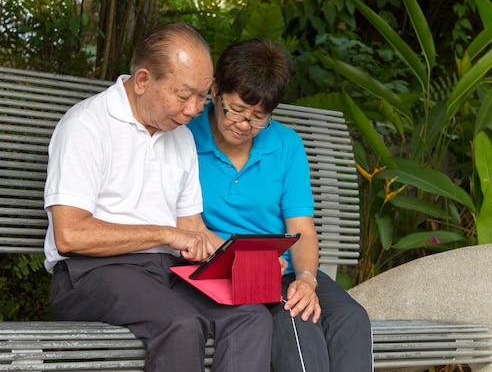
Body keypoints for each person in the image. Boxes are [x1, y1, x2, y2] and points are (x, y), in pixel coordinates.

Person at [43, 22, 273, 372]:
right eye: (184, 96)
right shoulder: (86, 125)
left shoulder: (178, 136)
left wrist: (251, 262)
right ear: (143, 81)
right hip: (92, 271)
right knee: (180, 325)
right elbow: (70, 235)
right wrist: (165, 234)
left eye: (202, 95)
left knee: (251, 317)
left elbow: (192, 229)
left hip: (166, 273)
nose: (196, 109)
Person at [187, 38, 373, 372]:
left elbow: (300, 228)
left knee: (351, 318)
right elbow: (187, 228)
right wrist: (255, 266)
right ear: (215, 90)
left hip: (282, 269)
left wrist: (306, 279)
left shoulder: (286, 144)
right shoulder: (187, 136)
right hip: (221, 268)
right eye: (236, 110)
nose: (244, 126)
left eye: (259, 117)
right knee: (298, 323)